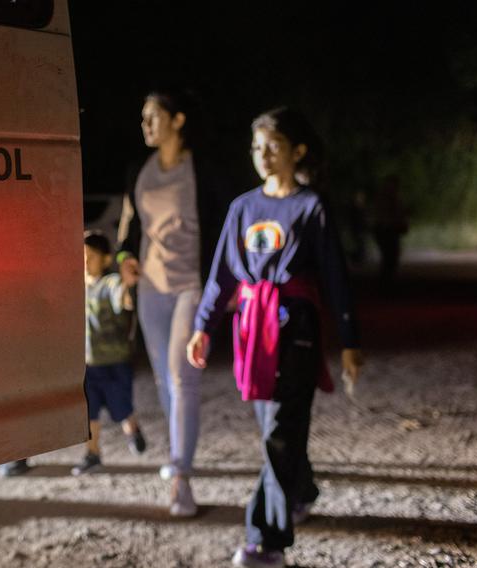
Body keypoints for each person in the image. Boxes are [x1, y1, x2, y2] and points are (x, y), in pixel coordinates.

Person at [187, 107, 364, 568]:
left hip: (296, 329)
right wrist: (202, 327)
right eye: (256, 147)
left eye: (273, 147)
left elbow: (334, 277)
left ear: (296, 152)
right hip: (252, 330)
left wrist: (350, 340)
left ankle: (266, 541)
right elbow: (221, 275)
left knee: (281, 431)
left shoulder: (311, 207)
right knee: (276, 428)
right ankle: (301, 490)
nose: (262, 155)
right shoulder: (242, 208)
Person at [117, 90, 226, 516]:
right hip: (150, 290)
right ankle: (180, 454)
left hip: (191, 286)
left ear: (178, 120)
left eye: (154, 116)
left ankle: (180, 474)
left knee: (183, 376)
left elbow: (225, 227)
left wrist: (228, 286)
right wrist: (125, 260)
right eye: (143, 117)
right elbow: (129, 232)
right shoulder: (137, 173)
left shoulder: (205, 171)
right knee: (164, 380)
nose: (146, 124)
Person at [72, 230, 146, 475]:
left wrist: (127, 287)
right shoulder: (75, 287)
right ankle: (92, 453)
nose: (85, 261)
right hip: (88, 365)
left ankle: (132, 430)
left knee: (122, 408)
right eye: (81, 255)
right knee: (89, 413)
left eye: (91, 256)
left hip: (115, 363)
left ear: (105, 259)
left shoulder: (110, 283)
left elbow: (122, 296)